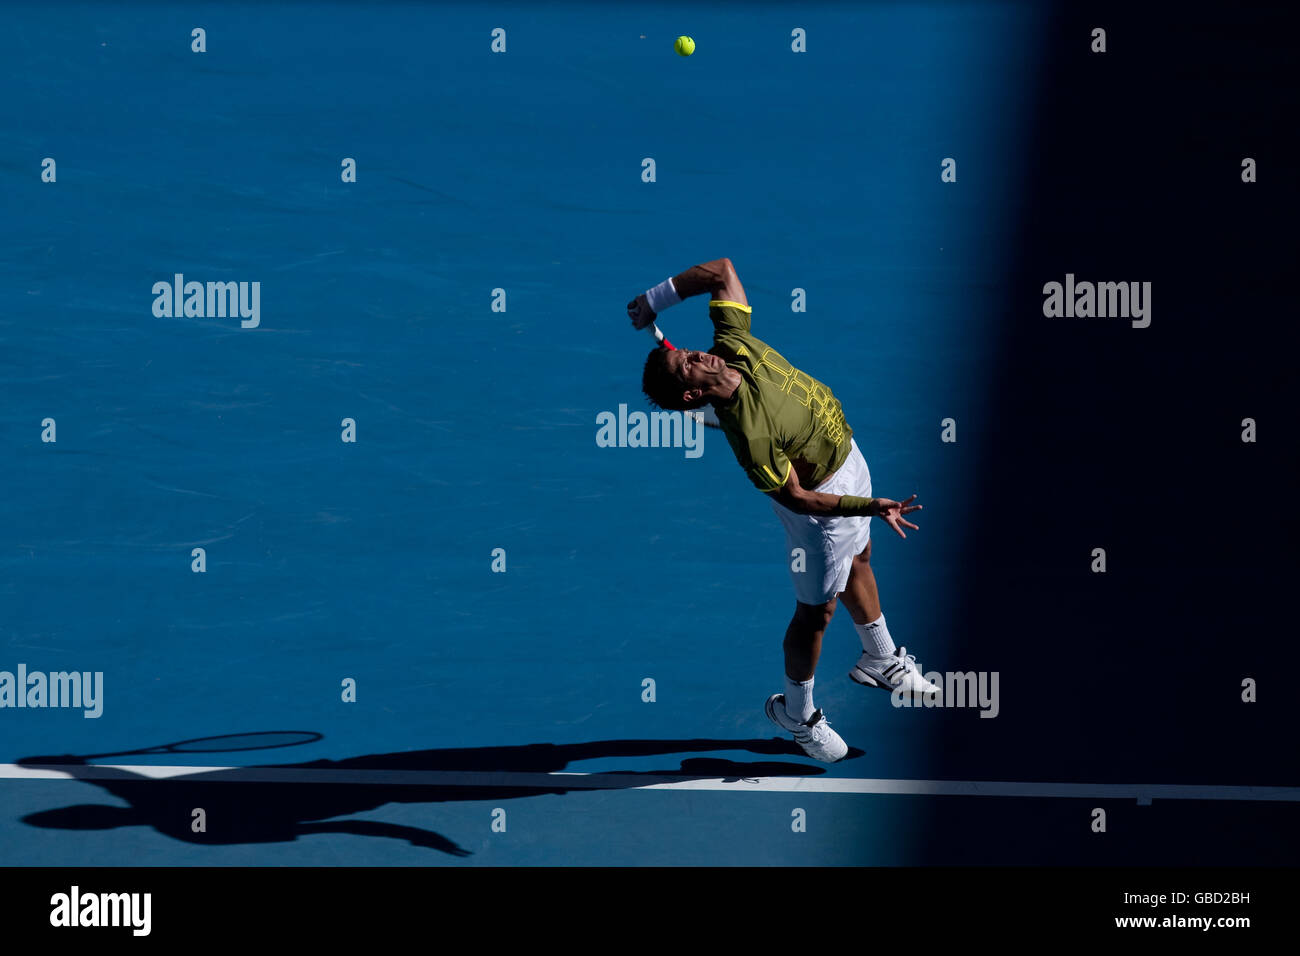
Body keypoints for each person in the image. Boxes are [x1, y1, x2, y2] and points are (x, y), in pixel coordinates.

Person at [629, 258, 940, 762]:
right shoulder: (751, 436)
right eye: (687, 362)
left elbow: (721, 271)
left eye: (686, 350)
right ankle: (797, 713)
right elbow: (799, 498)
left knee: (861, 559)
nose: (696, 353)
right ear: (692, 394)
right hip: (824, 511)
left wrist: (654, 299)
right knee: (816, 614)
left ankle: (879, 659)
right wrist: (872, 505)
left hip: (847, 457)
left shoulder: (732, 344)